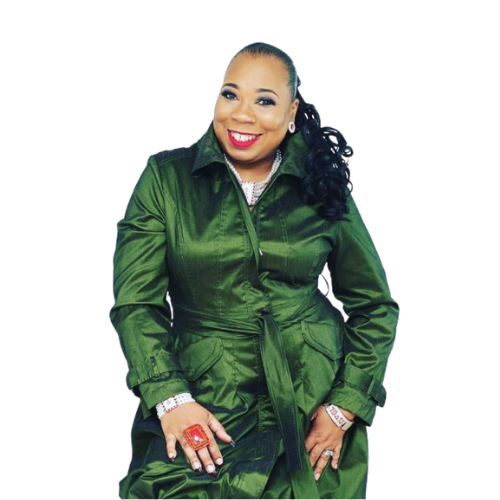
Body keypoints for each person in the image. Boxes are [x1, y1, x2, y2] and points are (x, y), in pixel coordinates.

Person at [111, 41, 399, 499]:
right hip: (203, 392)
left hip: (310, 394)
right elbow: (135, 304)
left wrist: (345, 406)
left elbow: (376, 307)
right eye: (231, 94)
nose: (242, 115)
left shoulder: (321, 183)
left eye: (264, 101)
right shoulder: (165, 179)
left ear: (291, 113)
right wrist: (171, 398)